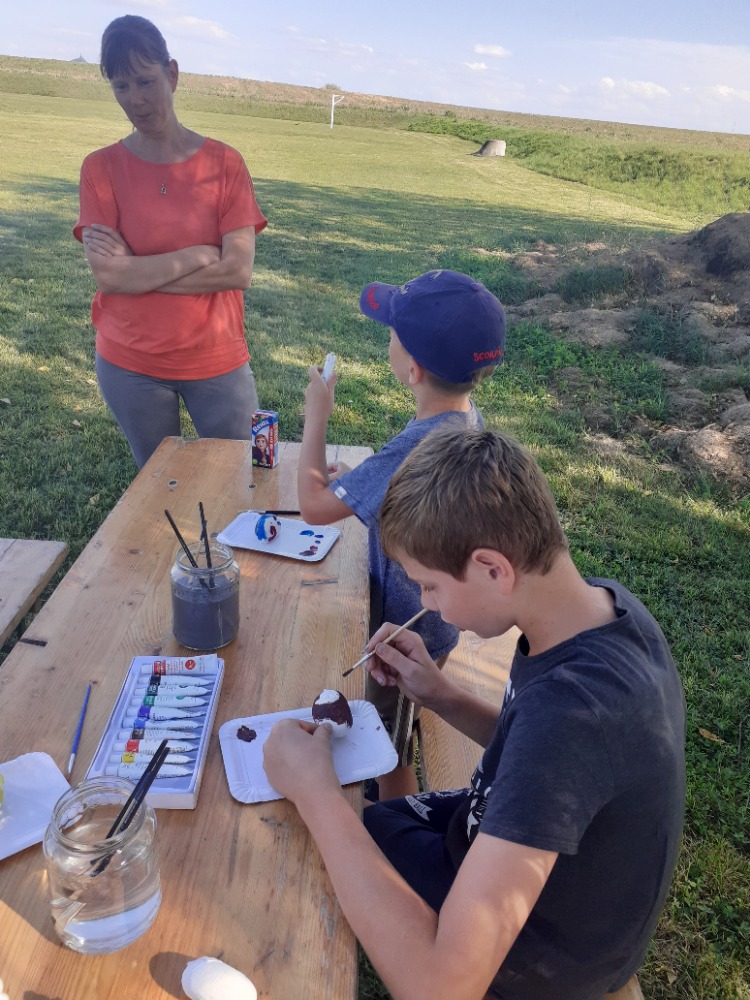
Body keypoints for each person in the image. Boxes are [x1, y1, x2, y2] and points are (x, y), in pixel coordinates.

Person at [265, 424, 686, 1000]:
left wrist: (314, 791)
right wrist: (439, 693)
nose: (424, 604)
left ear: (493, 568)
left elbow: (442, 987)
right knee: (358, 820)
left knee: (309, 827)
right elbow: (534, 757)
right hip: (493, 843)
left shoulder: (574, 716)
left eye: (429, 586)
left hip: (540, 954)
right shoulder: (596, 612)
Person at [296, 269, 506, 797]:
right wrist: (368, 485)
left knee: (387, 745)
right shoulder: (462, 420)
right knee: (396, 726)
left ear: (412, 369)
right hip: (430, 624)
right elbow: (418, 498)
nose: (387, 339)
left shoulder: (420, 443)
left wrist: (317, 415)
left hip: (406, 634)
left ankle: (394, 820)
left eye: (392, 333)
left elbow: (314, 506)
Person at [73, 15, 267, 469]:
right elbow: (109, 276)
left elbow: (237, 271)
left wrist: (137, 273)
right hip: (129, 362)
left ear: (172, 74)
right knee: (160, 485)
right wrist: (197, 255)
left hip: (217, 357)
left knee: (246, 474)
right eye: (121, 87)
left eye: (145, 81)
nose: (136, 100)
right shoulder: (99, 169)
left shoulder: (225, 164)